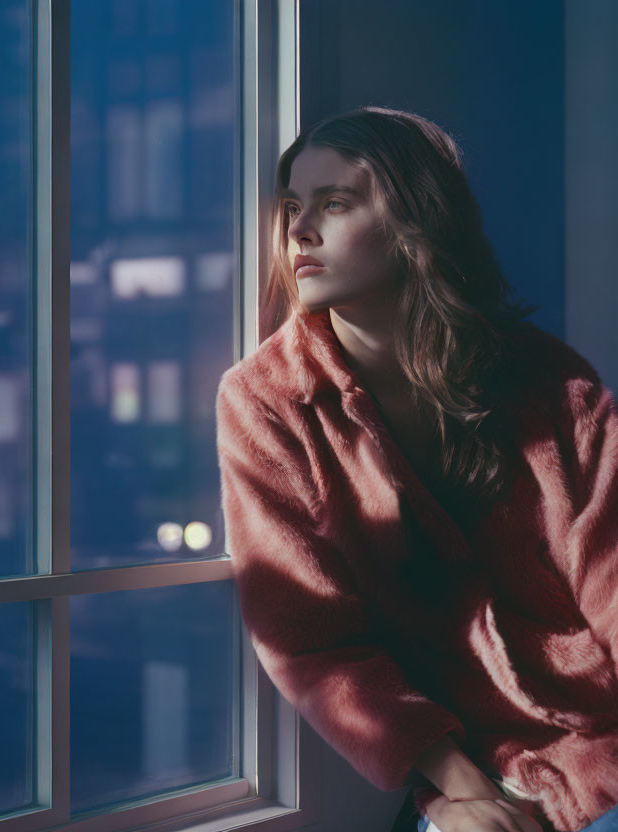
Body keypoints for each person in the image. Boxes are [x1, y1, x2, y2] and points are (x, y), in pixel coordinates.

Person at [215, 106, 618, 832]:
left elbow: (613, 579)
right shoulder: (265, 401)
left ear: (415, 219)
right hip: (477, 765)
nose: (300, 230)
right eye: (292, 207)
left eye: (335, 203)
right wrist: (461, 789)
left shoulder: (551, 382)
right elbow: (309, 638)